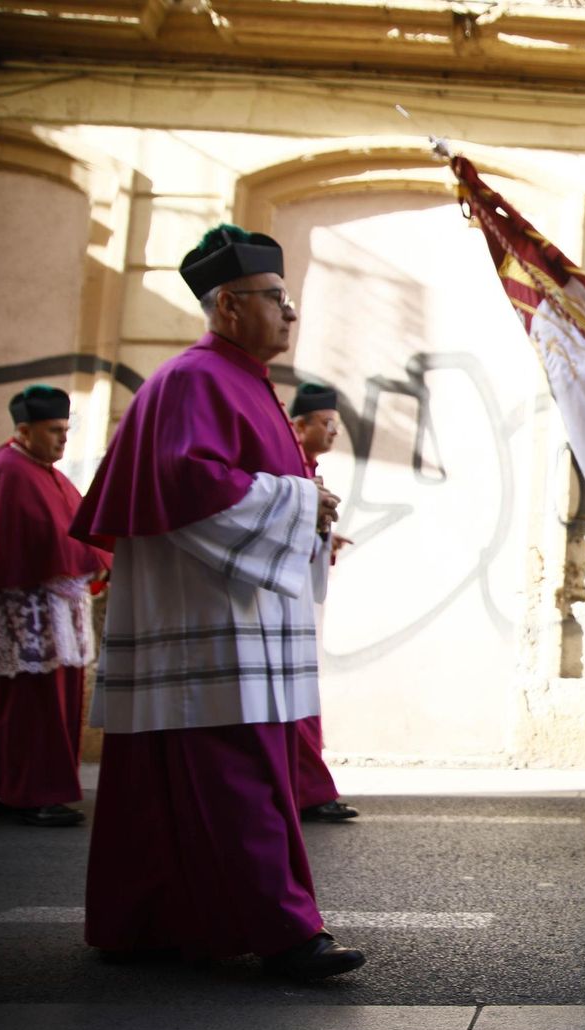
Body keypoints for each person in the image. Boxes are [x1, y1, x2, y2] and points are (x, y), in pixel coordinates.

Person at [70, 224, 364, 980]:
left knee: (171, 782)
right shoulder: (196, 379)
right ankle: (285, 932)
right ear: (229, 305)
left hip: (221, 612)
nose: (290, 312)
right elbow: (191, 482)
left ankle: (147, 924)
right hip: (209, 619)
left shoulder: (239, 379)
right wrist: (302, 502)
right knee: (240, 778)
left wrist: (307, 508)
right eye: (275, 298)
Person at [0, 386, 111, 827]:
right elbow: (30, 547)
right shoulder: (8, 472)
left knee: (2, 697)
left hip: (45, 609)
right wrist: (84, 561)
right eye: (54, 430)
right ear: (23, 430)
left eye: (66, 430)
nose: (63, 439)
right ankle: (32, 793)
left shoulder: (42, 471)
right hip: (23, 615)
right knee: (29, 702)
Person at [287, 382, 358, 824]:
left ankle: (310, 789)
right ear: (299, 426)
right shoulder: (292, 467)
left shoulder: (307, 467)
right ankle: (309, 791)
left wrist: (324, 539)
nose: (333, 432)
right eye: (326, 423)